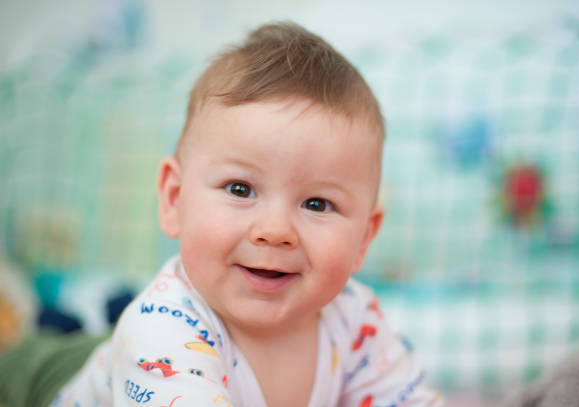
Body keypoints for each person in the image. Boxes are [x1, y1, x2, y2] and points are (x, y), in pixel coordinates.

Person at [52, 21, 443, 407]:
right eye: (240, 189)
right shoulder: (162, 329)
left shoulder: (355, 320)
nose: (275, 231)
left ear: (364, 238)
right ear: (174, 199)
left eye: (317, 204)